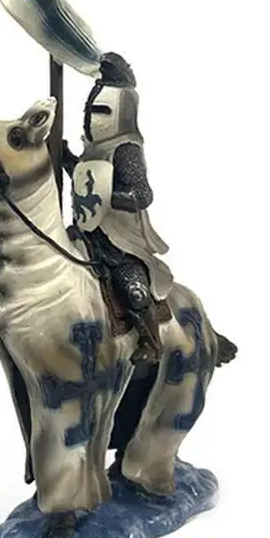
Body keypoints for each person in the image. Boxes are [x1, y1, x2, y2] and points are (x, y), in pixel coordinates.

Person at [63, 52, 173, 362]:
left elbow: (142, 194)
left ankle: (152, 344)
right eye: (90, 110)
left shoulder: (126, 150)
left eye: (99, 110)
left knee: (133, 290)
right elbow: (85, 177)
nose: (91, 118)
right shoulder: (94, 148)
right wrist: (65, 157)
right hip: (89, 231)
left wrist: (107, 195)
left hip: (122, 242)